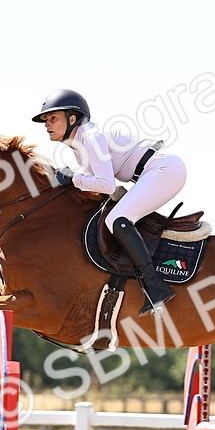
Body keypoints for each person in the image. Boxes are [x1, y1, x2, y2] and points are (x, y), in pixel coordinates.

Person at [32, 89, 185, 316]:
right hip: (154, 173)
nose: (47, 125)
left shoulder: (91, 138)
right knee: (113, 216)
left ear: (72, 118)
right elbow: (92, 184)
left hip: (164, 170)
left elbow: (106, 185)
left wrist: (72, 177)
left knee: (118, 219)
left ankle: (155, 286)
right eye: (46, 120)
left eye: (52, 118)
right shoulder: (79, 145)